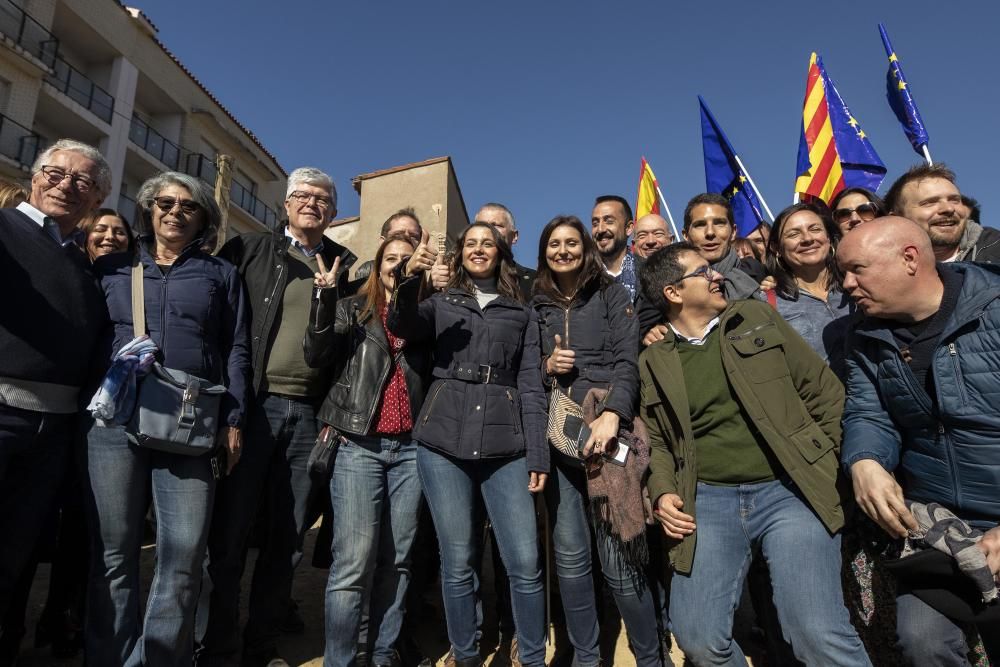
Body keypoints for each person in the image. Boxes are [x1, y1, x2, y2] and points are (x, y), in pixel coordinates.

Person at [638, 243, 871, 666]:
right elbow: (657, 442)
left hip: (790, 492)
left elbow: (824, 393)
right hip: (707, 501)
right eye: (703, 271)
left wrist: (831, 462)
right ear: (673, 292)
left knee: (815, 634)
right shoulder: (653, 359)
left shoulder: (755, 317)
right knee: (697, 640)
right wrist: (662, 492)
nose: (717, 276)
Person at [82, 171, 249, 667]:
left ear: (203, 217)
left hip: (190, 420)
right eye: (165, 203)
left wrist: (233, 418)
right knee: (114, 554)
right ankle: (112, 656)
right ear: (149, 209)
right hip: (115, 422)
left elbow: (236, 349)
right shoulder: (112, 268)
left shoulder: (220, 275)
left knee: (183, 555)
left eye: (188, 206)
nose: (175, 211)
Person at [200, 167, 355, 667]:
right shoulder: (247, 250)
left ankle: (259, 645)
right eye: (303, 196)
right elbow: (220, 326)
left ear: (332, 212)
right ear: (285, 205)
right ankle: (215, 644)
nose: (313, 203)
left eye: (322, 199)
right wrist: (228, 407)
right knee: (230, 532)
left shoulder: (344, 265)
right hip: (254, 408)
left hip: (311, 413)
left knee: (286, 539)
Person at [838, 217, 1000, 665]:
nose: (846, 285)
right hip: (936, 528)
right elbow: (868, 411)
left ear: (909, 258)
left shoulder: (995, 307)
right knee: (922, 644)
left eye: (857, 269)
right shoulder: (865, 335)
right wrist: (865, 461)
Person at [388, 222, 549, 667]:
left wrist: (537, 452)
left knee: (525, 562)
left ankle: (532, 657)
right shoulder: (439, 303)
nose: (479, 250)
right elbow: (400, 323)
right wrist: (409, 277)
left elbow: (533, 387)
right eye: (471, 243)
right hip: (441, 443)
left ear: (500, 254)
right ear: (460, 255)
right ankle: (466, 654)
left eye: (488, 244)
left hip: (508, 448)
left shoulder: (522, 312)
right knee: (457, 562)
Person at [533, 216, 662, 666]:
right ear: (544, 251)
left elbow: (629, 361)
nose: (563, 250)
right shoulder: (537, 304)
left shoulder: (611, 296)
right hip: (559, 442)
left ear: (584, 248)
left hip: (607, 439)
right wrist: (546, 367)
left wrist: (613, 413)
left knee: (620, 562)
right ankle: (586, 658)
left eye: (572, 242)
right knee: (570, 563)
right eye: (554, 244)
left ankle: (652, 658)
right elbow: (523, 372)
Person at [0, 141, 109, 663]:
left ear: (98, 197)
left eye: (82, 181)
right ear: (34, 175)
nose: (66, 184)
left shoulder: (83, 262)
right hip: (2, 415)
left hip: (55, 432)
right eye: (56, 173)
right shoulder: (3, 229)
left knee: (16, 557)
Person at [306, 232, 430, 667]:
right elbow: (316, 354)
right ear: (377, 266)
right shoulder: (353, 309)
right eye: (390, 259)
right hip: (359, 444)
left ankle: (380, 654)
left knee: (397, 562)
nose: (397, 266)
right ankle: (340, 659)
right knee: (353, 564)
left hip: (412, 450)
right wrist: (323, 299)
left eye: (407, 260)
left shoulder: (428, 315)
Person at [764, 203, 853, 377]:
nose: (807, 239)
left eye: (815, 229)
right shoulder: (767, 304)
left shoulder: (858, 285)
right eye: (794, 234)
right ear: (777, 248)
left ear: (828, 237)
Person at [884, 163, 1000, 263]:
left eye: (954, 200)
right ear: (896, 219)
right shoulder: (878, 271)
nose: (949, 209)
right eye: (930, 202)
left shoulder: (995, 248)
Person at [475, 202, 535, 299]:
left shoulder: (535, 282)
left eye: (496, 225)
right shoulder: (456, 277)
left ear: (514, 236)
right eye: (482, 225)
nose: (488, 230)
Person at [591, 195, 639, 300]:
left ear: (628, 228)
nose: (600, 229)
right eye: (595, 223)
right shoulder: (581, 279)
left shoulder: (649, 273)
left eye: (609, 221)